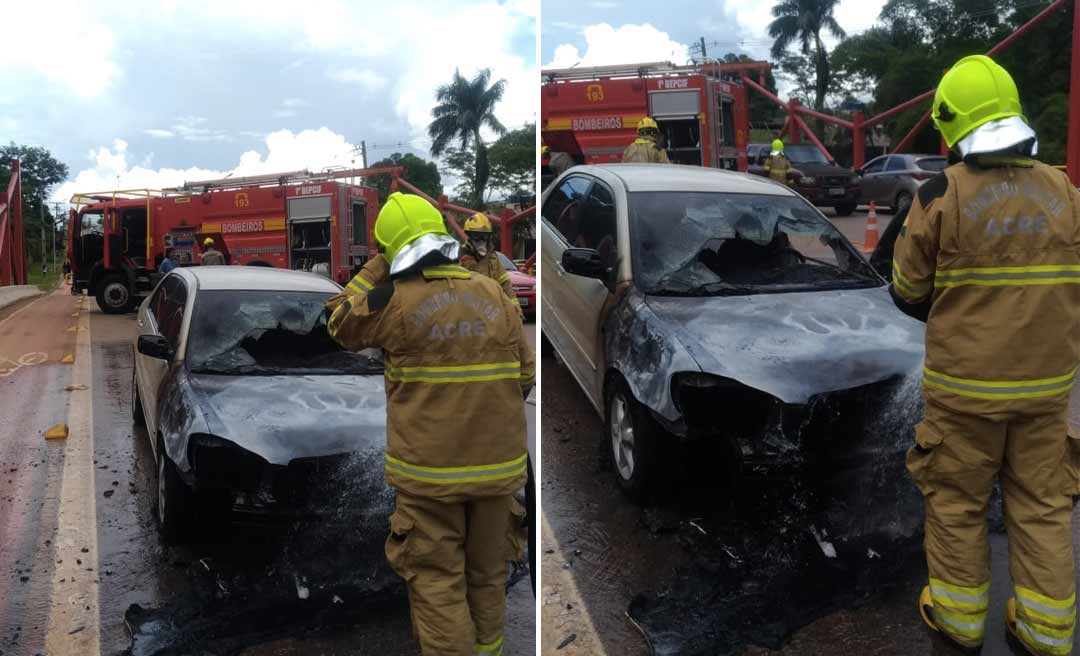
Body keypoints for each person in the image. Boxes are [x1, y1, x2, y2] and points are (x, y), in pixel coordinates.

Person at [891, 54, 1080, 656]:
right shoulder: (1065, 189)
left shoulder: (939, 194)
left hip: (964, 393)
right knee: (1043, 504)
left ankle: (959, 620)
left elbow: (907, 290)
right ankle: (1047, 630)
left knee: (956, 502)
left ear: (951, 125)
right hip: (1048, 391)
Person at [325, 192, 534, 656]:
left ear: (391, 248)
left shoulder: (393, 301)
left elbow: (337, 321)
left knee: (438, 582)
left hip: (429, 478)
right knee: (488, 576)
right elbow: (525, 376)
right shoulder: (495, 296)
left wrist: (380, 266)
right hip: (498, 472)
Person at [460, 212, 515, 301]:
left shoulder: (493, 258)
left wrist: (516, 310)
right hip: (469, 306)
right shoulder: (460, 256)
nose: (481, 240)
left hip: (492, 307)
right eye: (476, 236)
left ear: (488, 237)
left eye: (484, 236)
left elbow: (506, 285)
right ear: (469, 236)